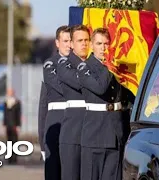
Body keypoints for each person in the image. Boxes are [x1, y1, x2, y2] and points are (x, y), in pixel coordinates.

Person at [77, 28, 134, 180]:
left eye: (106, 44)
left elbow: (128, 97)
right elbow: (100, 87)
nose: (103, 48)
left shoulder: (117, 69)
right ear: (91, 45)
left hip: (115, 133)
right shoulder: (85, 67)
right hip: (94, 134)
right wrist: (109, 65)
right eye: (99, 43)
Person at [56, 24, 90, 180]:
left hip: (92, 133)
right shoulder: (64, 64)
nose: (84, 43)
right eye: (80, 40)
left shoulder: (94, 64)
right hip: (72, 133)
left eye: (87, 40)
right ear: (71, 43)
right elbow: (80, 83)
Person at [41, 25, 71, 180]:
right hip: (55, 121)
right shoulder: (50, 64)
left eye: (70, 40)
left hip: (72, 122)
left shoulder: (77, 64)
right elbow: (43, 106)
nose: (68, 44)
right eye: (64, 41)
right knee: (53, 172)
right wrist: (41, 140)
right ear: (57, 43)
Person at [3, 88, 21, 164]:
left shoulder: (17, 103)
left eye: (10, 92)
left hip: (14, 125)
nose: (9, 93)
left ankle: (14, 158)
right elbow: (5, 115)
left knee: (15, 141)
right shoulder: (6, 103)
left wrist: (18, 125)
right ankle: (10, 158)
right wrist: (4, 124)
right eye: (8, 92)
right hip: (8, 125)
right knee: (9, 141)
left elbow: (18, 114)